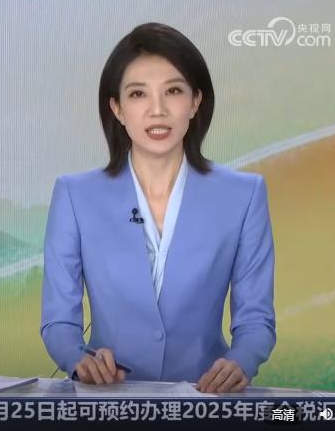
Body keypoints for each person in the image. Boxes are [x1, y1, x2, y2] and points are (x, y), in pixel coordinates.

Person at [40, 23, 276, 393]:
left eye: (174, 91)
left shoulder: (243, 195)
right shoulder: (75, 196)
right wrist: (78, 359)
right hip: (109, 402)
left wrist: (241, 361)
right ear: (117, 108)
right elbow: (59, 322)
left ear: (195, 101)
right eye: (138, 94)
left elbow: (256, 321)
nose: (157, 110)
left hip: (205, 399)